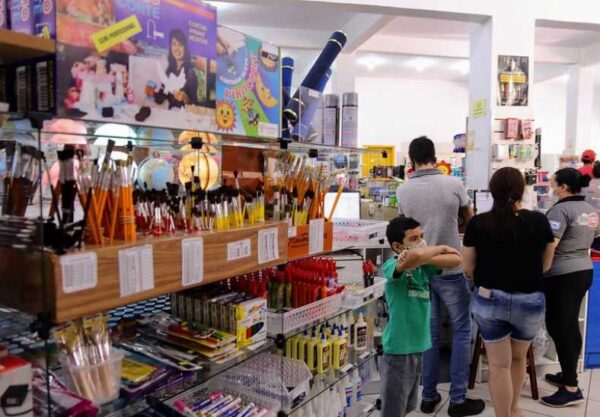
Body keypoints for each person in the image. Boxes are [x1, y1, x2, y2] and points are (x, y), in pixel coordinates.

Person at [396, 136, 484, 417]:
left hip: (421, 270)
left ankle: (428, 397)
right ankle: (457, 400)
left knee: (429, 334)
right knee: (462, 331)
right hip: (450, 267)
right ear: (434, 157)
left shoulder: (403, 190)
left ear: (411, 160)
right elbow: (471, 221)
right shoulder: (453, 184)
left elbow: (403, 229)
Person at [462, 167, 555, 417]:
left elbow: (467, 267)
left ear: (492, 191)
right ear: (522, 190)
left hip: (490, 299)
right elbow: (546, 265)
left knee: (498, 365)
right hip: (530, 300)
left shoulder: (479, 223)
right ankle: (514, 410)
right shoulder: (539, 221)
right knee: (518, 359)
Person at [380, 216, 463, 417]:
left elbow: (457, 259)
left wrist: (425, 257)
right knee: (393, 409)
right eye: (414, 239)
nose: (421, 242)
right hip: (399, 348)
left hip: (417, 346)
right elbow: (413, 257)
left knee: (407, 405)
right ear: (397, 246)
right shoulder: (392, 265)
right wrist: (440, 247)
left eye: (421, 236)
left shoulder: (423, 267)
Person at [541, 168, 600, 407]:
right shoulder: (589, 209)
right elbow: (594, 237)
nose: (551, 187)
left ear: (563, 187)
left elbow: (550, 245)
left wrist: (543, 270)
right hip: (584, 271)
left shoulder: (560, 210)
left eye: (553, 184)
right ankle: (568, 374)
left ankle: (571, 388)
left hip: (562, 275)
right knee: (570, 324)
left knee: (558, 327)